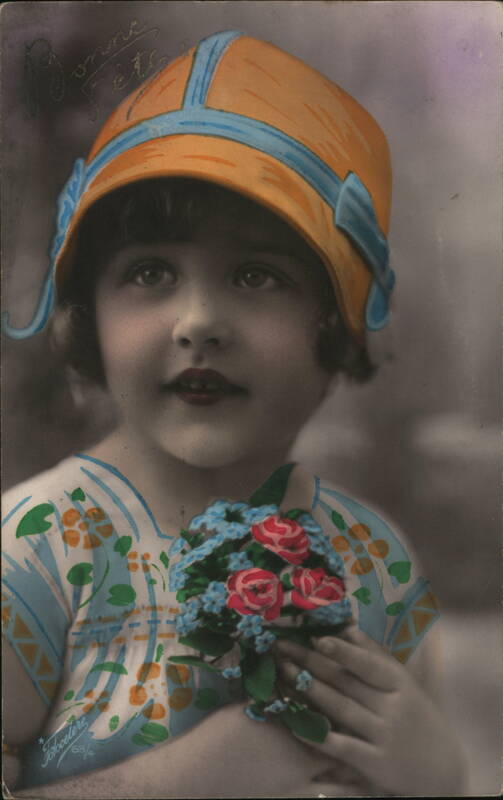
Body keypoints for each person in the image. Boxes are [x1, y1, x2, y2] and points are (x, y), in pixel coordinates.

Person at [2, 31, 466, 798]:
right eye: (149, 271)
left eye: (256, 275)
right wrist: (200, 774)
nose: (198, 321)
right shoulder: (35, 551)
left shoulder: (374, 559)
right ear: (90, 315)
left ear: (335, 322)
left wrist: (435, 774)